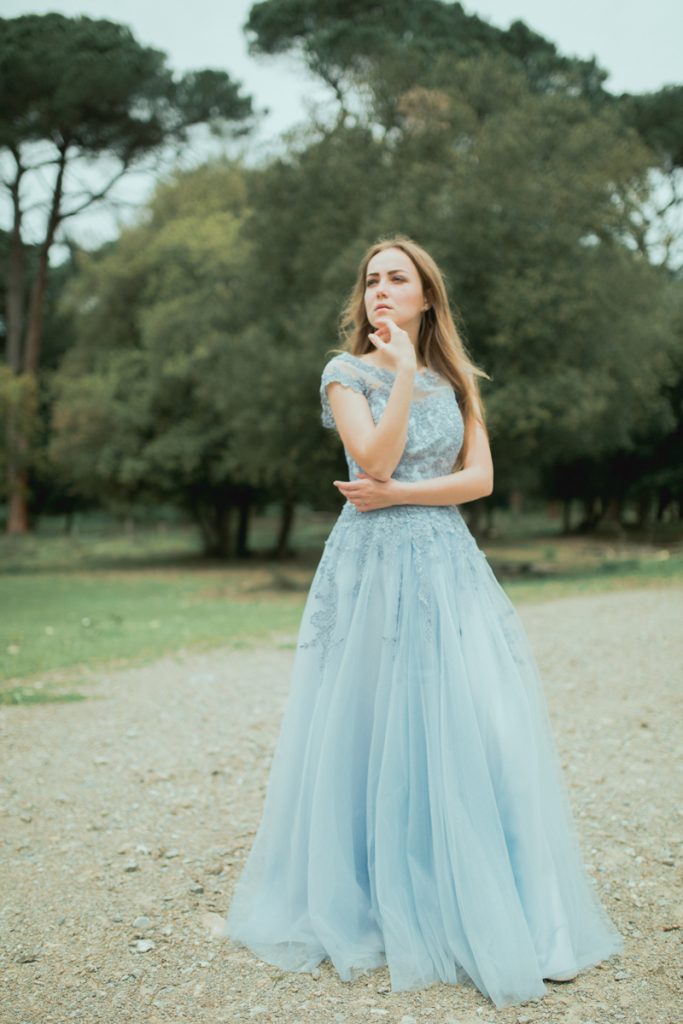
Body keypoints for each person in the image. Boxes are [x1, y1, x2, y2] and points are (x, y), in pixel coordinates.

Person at [223, 235, 624, 1010]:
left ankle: (505, 907)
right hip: (369, 571)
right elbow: (371, 458)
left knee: (483, 722)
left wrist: (406, 490)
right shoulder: (345, 374)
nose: (379, 289)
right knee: (373, 724)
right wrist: (400, 373)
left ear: (425, 296)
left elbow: (477, 479)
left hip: (446, 563)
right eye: (370, 278)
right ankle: (377, 896)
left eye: (396, 277)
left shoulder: (460, 380)